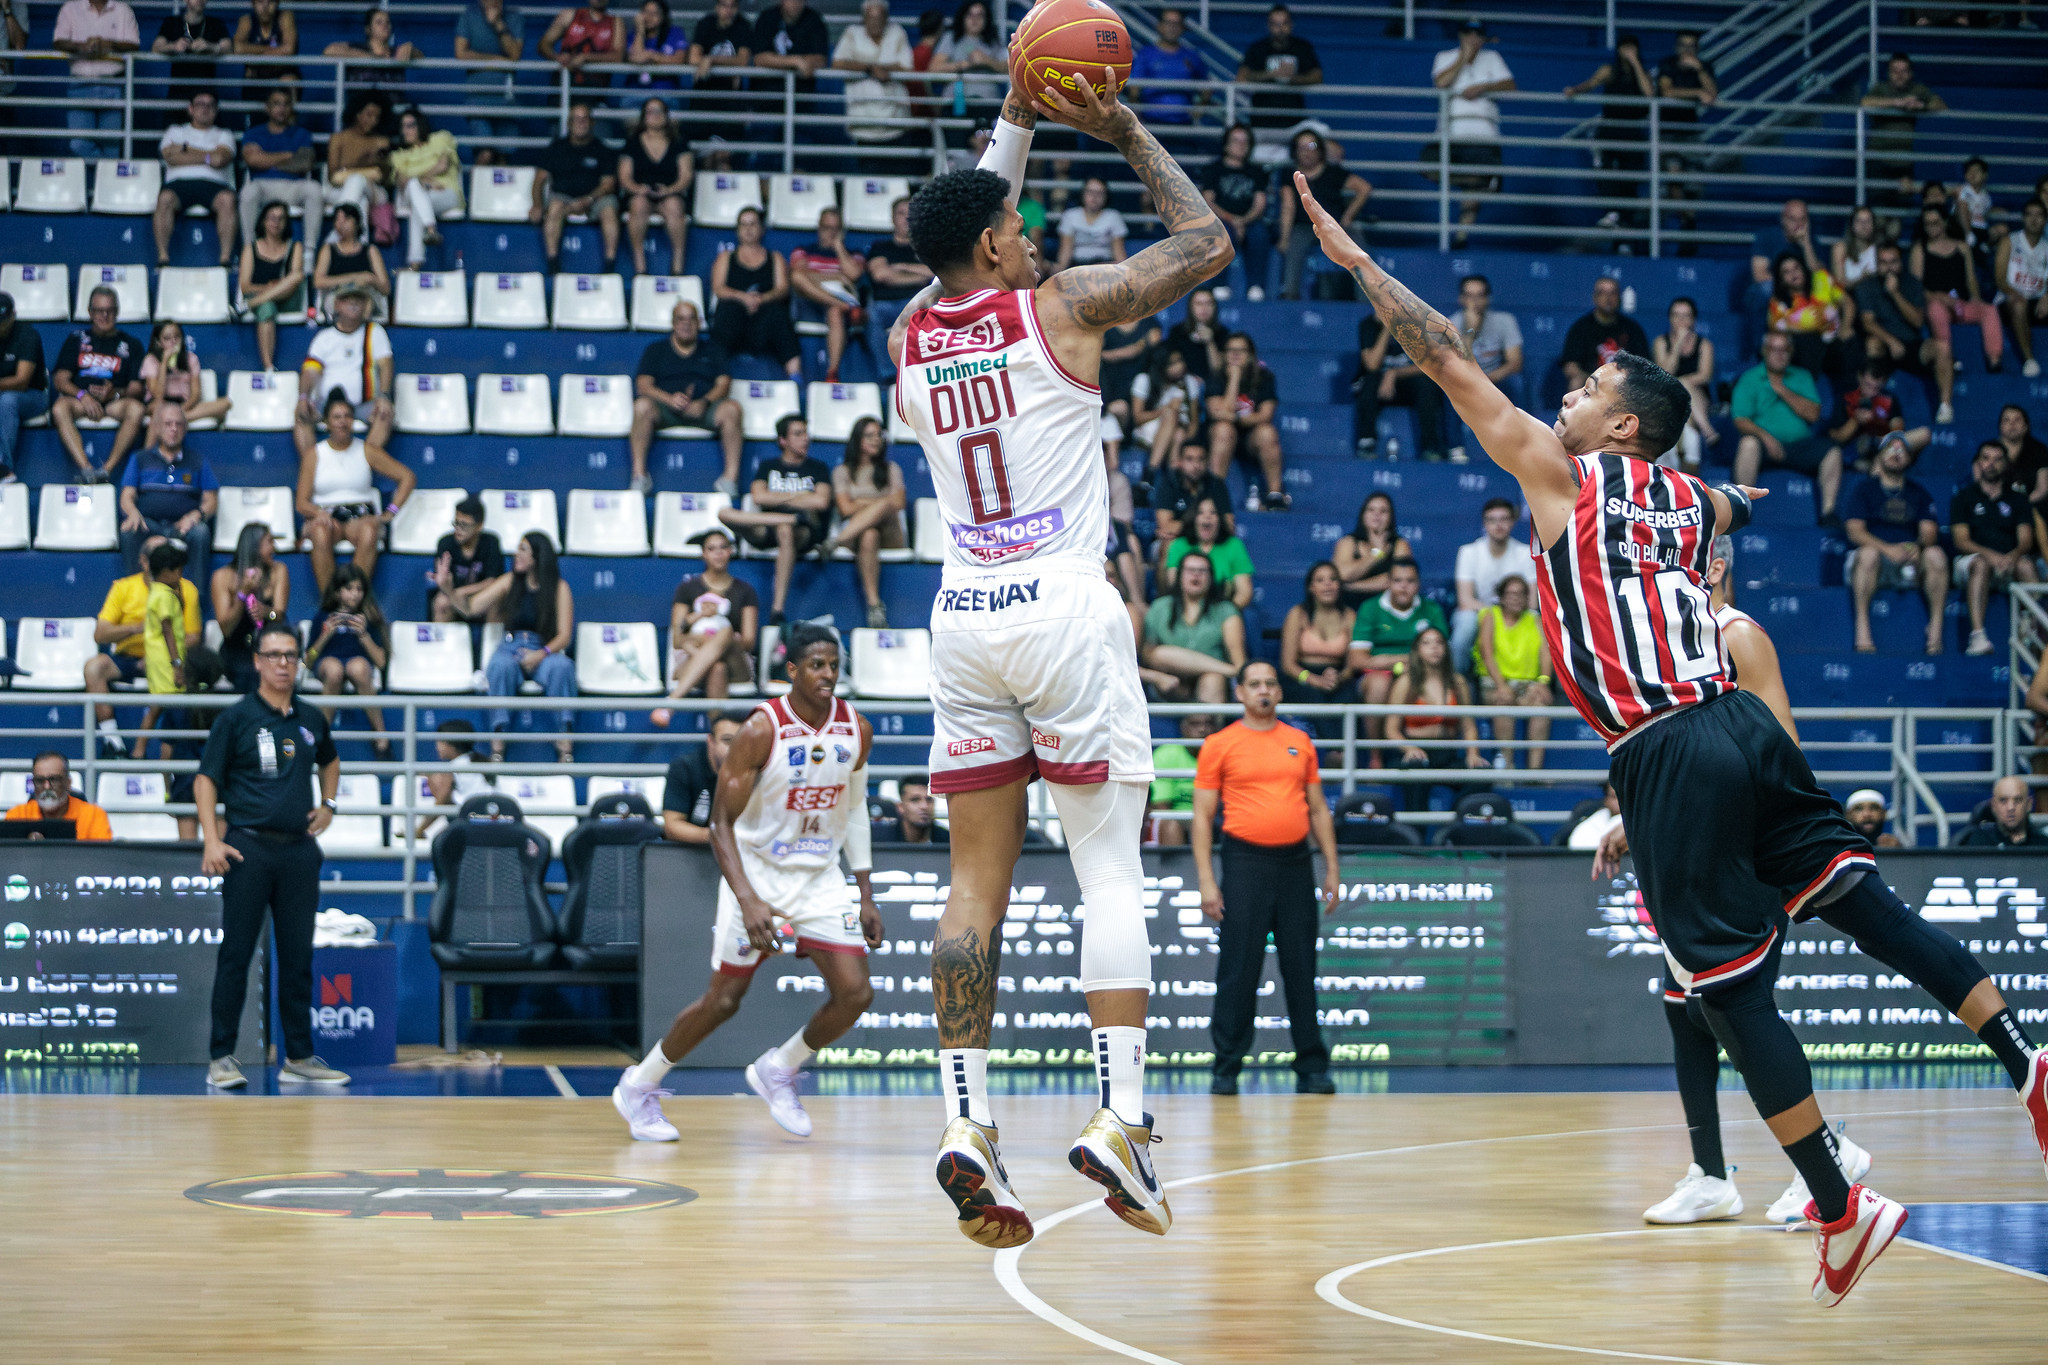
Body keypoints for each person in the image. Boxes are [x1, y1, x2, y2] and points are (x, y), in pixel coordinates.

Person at [1297, 181, 2048, 1303]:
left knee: (1723, 993)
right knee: (1867, 906)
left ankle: (1838, 1202)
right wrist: (1724, 499)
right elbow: (1745, 501)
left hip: (1668, 743)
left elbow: (1446, 355)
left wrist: (1356, 260)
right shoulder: (1689, 499)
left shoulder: (1563, 476)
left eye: (1590, 387)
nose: (1568, 391)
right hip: (1740, 724)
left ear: (1619, 429)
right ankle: (2024, 1061)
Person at [889, 75, 1233, 1248]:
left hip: (964, 619)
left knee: (970, 888)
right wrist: (1125, 128)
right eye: (1018, 228)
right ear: (994, 243)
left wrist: (1017, 120)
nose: (1032, 234)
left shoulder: (908, 332)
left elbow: (970, 232)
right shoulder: (1069, 305)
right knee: (1107, 876)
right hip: (1064, 611)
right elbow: (1206, 241)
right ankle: (1121, 1115)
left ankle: (964, 1123)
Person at [1595, 564, 1876, 1228]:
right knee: (1686, 1008)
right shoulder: (1670, 644)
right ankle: (1712, 1174)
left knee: (1733, 1015)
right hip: (1698, 853)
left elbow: (1778, 751)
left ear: (1713, 565)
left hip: (1749, 853)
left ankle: (1828, 1159)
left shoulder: (1736, 634)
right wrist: (1632, 822)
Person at [614, 624, 881, 1141]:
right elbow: (719, 825)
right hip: (756, 875)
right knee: (723, 1002)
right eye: (817, 665)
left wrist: (865, 892)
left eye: (834, 664)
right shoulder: (762, 730)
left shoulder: (857, 728)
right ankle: (638, 1085)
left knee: (856, 993)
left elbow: (855, 811)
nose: (828, 674)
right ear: (793, 671)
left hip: (820, 878)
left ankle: (779, 1069)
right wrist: (748, 898)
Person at [196, 620, 347, 1090]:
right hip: (248, 848)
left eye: (290, 655)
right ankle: (221, 1056)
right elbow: (206, 779)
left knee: (298, 957)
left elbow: (330, 760)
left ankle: (298, 1056)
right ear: (258, 662)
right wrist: (211, 839)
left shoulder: (310, 717)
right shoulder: (236, 718)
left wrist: (329, 804)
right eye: (274, 655)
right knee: (236, 955)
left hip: (299, 852)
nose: (283, 663)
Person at [1193, 659, 1340, 1094]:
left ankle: (1312, 1066)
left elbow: (1317, 808)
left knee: (1301, 966)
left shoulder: (1299, 742)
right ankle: (1226, 1066)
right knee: (1239, 969)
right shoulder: (1219, 744)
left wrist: (1331, 866)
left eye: (1270, 684)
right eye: (1254, 684)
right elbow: (1202, 817)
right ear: (1239, 693)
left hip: (1296, 864)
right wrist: (1206, 880)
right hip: (1245, 863)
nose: (1263, 690)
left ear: (1280, 691)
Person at [467, 530, 579, 764]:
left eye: (522, 549)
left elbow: (564, 636)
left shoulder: (559, 588)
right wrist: (448, 589)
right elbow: (472, 608)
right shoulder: (509, 581)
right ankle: (498, 746)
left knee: (563, 668)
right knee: (499, 666)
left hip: (545, 648)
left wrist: (541, 654)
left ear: (537, 557)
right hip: (512, 645)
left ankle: (565, 746)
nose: (516, 554)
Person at [86, 531, 201, 755]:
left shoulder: (186, 589)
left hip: (164, 658)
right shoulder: (123, 587)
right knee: (94, 667)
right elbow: (100, 634)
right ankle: (113, 742)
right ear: (143, 561)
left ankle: (146, 749)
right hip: (128, 657)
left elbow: (193, 637)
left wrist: (165, 658)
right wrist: (137, 628)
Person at [717, 414, 831, 627]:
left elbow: (822, 501)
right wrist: (800, 499)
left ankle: (777, 610)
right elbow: (759, 496)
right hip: (768, 526)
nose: (805, 438)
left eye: (805, 433)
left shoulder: (818, 468)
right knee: (723, 513)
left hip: (802, 531)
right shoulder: (768, 466)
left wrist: (777, 498)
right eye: (798, 434)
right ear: (783, 440)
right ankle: (787, 519)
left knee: (785, 531)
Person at [297, 389, 414, 594]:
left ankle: (354, 597)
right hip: (327, 515)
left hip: (360, 516)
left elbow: (407, 477)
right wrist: (318, 513)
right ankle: (331, 601)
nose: (342, 422)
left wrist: (390, 513)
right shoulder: (314, 454)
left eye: (347, 417)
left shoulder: (366, 450)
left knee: (370, 530)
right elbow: (301, 503)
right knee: (319, 532)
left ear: (353, 421)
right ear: (326, 422)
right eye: (337, 417)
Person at [631, 299, 743, 496]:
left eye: (692, 319)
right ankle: (639, 476)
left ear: (699, 323)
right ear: (673, 323)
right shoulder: (656, 350)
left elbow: (724, 384)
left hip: (703, 409)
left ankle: (730, 480)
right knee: (641, 406)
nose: (686, 323)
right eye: (681, 319)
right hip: (667, 409)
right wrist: (669, 399)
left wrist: (704, 402)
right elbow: (643, 385)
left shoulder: (714, 349)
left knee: (732, 409)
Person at [1730, 332, 1840, 526]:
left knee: (1832, 451)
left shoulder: (1802, 376)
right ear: (1764, 351)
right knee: (1748, 443)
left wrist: (1782, 389)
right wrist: (1766, 437)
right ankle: (1742, 507)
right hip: (1764, 447)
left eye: (1784, 350)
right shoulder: (1750, 378)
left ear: (1790, 353)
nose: (1779, 354)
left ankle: (1828, 513)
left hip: (1799, 445)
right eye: (1774, 349)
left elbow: (1813, 414)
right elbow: (1741, 420)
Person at [652, 528, 758, 720]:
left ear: (730, 551)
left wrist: (720, 640)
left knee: (725, 632)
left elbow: (748, 642)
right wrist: (704, 635)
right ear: (703, 553)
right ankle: (719, 740)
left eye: (723, 547)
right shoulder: (687, 589)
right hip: (691, 658)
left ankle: (671, 703)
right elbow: (677, 639)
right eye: (711, 548)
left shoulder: (745, 591)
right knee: (717, 668)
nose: (718, 553)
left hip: (736, 661)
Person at [1428, 19, 1514, 245]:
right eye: (1468, 33)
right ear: (1460, 35)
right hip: (1450, 132)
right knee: (1430, 167)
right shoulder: (1445, 56)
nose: (1472, 38)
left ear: (1483, 37)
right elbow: (1441, 82)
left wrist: (1483, 86)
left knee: (1472, 190)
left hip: (1484, 134)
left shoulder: (1492, 58)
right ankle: (1475, 181)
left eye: (1477, 34)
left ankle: (1460, 236)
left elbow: (1510, 86)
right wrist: (1462, 59)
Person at [49, 286, 146, 483]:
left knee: (136, 410)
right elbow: (60, 379)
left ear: (117, 312)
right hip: (81, 401)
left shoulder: (131, 343)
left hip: (113, 402)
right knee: (59, 408)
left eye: (109, 310)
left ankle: (106, 470)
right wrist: (82, 396)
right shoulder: (76, 339)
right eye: (99, 310)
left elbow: (137, 389)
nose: (104, 315)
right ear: (90, 312)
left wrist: (115, 393)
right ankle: (86, 468)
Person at [1950, 440, 2036, 656]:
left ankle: (2029, 630)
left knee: (2026, 566)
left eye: (1998, 459)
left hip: (2008, 561)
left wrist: (2012, 556)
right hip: (1972, 561)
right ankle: (1977, 636)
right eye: (1986, 458)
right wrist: (1991, 556)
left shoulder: (2018, 499)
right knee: (1980, 564)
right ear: (1978, 464)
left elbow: (2025, 540)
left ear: (2005, 464)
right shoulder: (1963, 497)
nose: (1991, 464)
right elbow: (1961, 541)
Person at [1386, 624, 1487, 807]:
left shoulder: (1458, 682)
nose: (1434, 647)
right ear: (1417, 651)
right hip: (1417, 752)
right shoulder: (1406, 681)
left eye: (1439, 642)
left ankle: (1454, 825)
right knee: (1416, 770)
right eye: (1427, 643)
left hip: (1447, 755)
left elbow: (1469, 726)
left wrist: (1473, 754)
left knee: (1482, 774)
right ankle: (1415, 833)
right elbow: (1391, 729)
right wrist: (1408, 749)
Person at [1856, 240, 1955, 423]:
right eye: (1883, 263)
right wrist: (1891, 342)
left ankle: (1945, 407)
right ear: (1877, 264)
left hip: (1912, 344)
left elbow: (1917, 321)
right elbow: (1867, 323)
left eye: (1893, 261)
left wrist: (1895, 294)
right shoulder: (1866, 286)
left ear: (1901, 262)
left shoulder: (1912, 283)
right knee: (1872, 343)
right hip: (1885, 344)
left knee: (1942, 347)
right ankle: (1868, 404)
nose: (1889, 267)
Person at [1563, 33, 1653, 234]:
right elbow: (1591, 83)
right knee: (1606, 171)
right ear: (1618, 50)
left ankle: (1625, 226)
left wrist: (1635, 64)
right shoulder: (1609, 70)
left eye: (1632, 47)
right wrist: (1575, 90)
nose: (1628, 51)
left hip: (1633, 132)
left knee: (1630, 179)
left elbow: (1649, 94)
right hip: (1610, 129)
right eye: (1624, 48)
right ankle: (1612, 212)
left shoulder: (1643, 73)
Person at [1347, 555, 1447, 731]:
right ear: (1388, 582)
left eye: (1410, 581)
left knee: (1422, 680)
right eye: (1398, 581)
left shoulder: (1432, 609)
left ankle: (1422, 750)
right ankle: (1375, 755)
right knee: (1379, 685)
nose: (1403, 587)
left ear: (1418, 584)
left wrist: (1389, 659)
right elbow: (1356, 661)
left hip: (1419, 671)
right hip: (1377, 675)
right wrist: (1398, 662)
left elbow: (1442, 654)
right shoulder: (1370, 608)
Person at [1912, 203, 2005, 390]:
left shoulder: (1962, 247)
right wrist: (1938, 297)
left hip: (1961, 304)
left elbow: (1971, 279)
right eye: (1927, 224)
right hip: (1935, 304)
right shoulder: (1920, 249)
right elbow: (1916, 287)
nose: (1931, 227)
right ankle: (1948, 357)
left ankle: (1995, 359)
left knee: (1989, 310)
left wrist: (1976, 299)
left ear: (1945, 222)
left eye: (1935, 223)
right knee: (1936, 310)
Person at [118, 402, 217, 573]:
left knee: (201, 532)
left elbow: (211, 501)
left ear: (185, 429)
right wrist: (133, 513)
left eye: (178, 424)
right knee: (129, 530)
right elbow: (127, 496)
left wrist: (195, 516)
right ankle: (135, 594)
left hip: (183, 526)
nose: (174, 429)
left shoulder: (198, 461)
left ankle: (194, 596)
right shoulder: (140, 459)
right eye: (168, 424)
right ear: (156, 427)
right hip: (149, 525)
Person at [295, 282, 393, 454]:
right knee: (301, 414)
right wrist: (303, 397)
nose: (353, 303)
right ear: (336, 305)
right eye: (347, 299)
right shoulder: (324, 337)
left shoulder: (375, 332)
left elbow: (385, 365)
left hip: (364, 404)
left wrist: (384, 396)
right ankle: (312, 471)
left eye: (358, 299)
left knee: (385, 413)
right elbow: (309, 372)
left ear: (365, 305)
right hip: (328, 405)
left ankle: (362, 466)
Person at [831, 416, 908, 629]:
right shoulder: (843, 471)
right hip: (858, 535)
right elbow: (845, 508)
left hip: (891, 533)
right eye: (870, 435)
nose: (876, 439)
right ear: (858, 439)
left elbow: (898, 503)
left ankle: (836, 542)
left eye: (879, 435)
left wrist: (865, 503)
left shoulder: (892, 469)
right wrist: (880, 502)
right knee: (869, 533)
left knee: (885, 506)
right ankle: (875, 606)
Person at [1276, 130, 1370, 302]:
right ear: (1294, 151)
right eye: (1301, 147)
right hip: (1304, 226)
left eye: (1311, 146)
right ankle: (1290, 295)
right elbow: (1287, 206)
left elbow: (1364, 188)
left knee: (1358, 244)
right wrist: (1284, 238)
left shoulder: (1333, 172)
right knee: (1294, 245)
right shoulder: (1289, 174)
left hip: (1333, 225)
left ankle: (1366, 298)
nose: (1306, 151)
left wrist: (1348, 216)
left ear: (1320, 149)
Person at [708, 207, 802, 379]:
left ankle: (795, 377)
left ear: (761, 228)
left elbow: (782, 289)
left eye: (752, 224)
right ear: (737, 230)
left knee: (779, 314)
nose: (748, 229)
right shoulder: (726, 258)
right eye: (743, 225)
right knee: (726, 310)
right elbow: (719, 288)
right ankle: (717, 377)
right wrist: (743, 298)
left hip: (764, 320)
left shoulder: (775, 258)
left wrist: (760, 299)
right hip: (734, 318)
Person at [306, 563, 390, 754]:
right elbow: (307, 660)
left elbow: (381, 662)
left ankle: (381, 735)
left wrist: (363, 634)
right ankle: (322, 736)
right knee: (334, 669)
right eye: (349, 589)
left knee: (358, 668)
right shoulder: (322, 617)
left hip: (358, 663)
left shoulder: (369, 618)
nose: (355, 594)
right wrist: (325, 635)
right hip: (327, 663)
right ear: (337, 592)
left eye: (359, 589)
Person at [1141, 551, 1244, 704]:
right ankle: (1227, 671)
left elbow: (1240, 663)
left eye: (1202, 571)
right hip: (1169, 681)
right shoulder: (1160, 607)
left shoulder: (1225, 609)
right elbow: (1149, 655)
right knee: (1160, 654)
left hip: (1214, 679)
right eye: (1190, 570)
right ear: (1179, 575)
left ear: (1211, 577)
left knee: (1213, 680)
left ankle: (1206, 727)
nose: (1196, 575)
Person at [532, 101, 620, 275]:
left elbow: (608, 184)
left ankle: (610, 264)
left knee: (609, 210)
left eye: (585, 119)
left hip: (596, 198)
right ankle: (553, 263)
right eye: (576, 119)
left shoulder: (603, 150)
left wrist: (588, 200)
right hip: (563, 197)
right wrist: (537, 204)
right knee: (554, 208)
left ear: (592, 123)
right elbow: (539, 180)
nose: (581, 123)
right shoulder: (556, 148)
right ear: (569, 123)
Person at [154, 91, 238, 270]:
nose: (205, 109)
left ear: (216, 111)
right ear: (190, 109)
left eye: (210, 105)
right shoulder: (175, 131)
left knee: (227, 200)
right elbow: (171, 157)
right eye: (200, 104)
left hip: (215, 185)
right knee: (164, 198)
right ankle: (163, 258)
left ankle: (225, 259)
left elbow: (220, 160)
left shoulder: (224, 134)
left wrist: (184, 149)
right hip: (179, 184)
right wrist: (208, 156)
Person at [1475, 573, 1551, 767]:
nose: (1516, 598)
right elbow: (1486, 652)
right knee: (1503, 701)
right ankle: (1508, 766)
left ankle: (1535, 772)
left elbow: (1546, 652)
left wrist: (1543, 682)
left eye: (1521, 594)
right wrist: (1501, 685)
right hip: (1494, 683)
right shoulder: (1490, 615)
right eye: (1510, 594)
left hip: (1527, 684)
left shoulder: (1535, 619)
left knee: (1540, 704)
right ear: (1501, 597)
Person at [1206, 331, 1287, 508]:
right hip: (1220, 438)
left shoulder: (1264, 377)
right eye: (1230, 350)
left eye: (1241, 350)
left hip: (1251, 438)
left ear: (1251, 355)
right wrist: (1234, 377)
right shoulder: (1216, 377)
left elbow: (1266, 415)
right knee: (1224, 429)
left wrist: (1234, 417)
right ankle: (1214, 494)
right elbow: (1217, 413)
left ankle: (1275, 495)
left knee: (1267, 432)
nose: (1235, 354)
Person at [832, 0, 914, 172]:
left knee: (897, 176)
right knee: (869, 179)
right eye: (870, 17)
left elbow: (907, 66)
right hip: (863, 122)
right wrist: (869, 68)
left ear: (886, 18)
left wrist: (884, 70)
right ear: (864, 18)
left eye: (879, 17)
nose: (875, 21)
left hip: (895, 121)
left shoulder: (897, 32)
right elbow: (837, 63)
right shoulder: (852, 33)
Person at [1451, 497, 1531, 672]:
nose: (1498, 525)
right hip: (1480, 612)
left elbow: (1531, 602)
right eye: (1492, 520)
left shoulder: (1525, 553)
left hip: (1517, 612)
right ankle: (1458, 682)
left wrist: (1507, 615)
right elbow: (1465, 601)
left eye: (1504, 519)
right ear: (1484, 524)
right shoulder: (1469, 552)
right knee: (1465, 624)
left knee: (1535, 618)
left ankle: (1540, 684)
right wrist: (1494, 615)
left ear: (1512, 522)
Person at [236, 87, 321, 250]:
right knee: (247, 193)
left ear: (291, 108)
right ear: (267, 108)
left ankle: (309, 250)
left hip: (294, 187)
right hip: (263, 185)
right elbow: (252, 160)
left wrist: (265, 158)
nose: (281, 108)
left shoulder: (302, 134)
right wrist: (288, 155)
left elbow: (305, 163)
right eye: (276, 104)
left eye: (286, 104)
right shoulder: (254, 133)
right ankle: (250, 249)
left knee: (315, 189)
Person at [211, 522, 289, 693]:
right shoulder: (222, 577)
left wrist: (267, 613)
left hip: (269, 646)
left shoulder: (279, 571)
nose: (274, 547)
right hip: (237, 649)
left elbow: (280, 616)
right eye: (269, 542)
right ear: (254, 545)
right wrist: (242, 594)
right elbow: (226, 628)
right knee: (251, 675)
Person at [789, 207, 865, 384]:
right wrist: (838, 276)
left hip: (838, 301)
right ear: (818, 227)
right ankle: (843, 306)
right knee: (798, 278)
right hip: (810, 302)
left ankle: (832, 372)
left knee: (835, 311)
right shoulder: (804, 250)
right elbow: (799, 275)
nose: (830, 233)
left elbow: (853, 275)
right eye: (826, 228)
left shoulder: (854, 254)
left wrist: (838, 246)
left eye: (835, 229)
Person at [54, 0, 139, 159]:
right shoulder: (70, 8)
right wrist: (81, 46)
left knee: (112, 146)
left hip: (113, 84)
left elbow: (133, 45)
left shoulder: (123, 10)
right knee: (78, 144)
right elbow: (59, 42)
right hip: (80, 84)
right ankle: (106, 167)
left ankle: (105, 175)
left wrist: (109, 44)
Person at [619, 97, 692, 277]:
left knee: (674, 206)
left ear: (666, 116)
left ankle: (677, 266)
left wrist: (670, 190)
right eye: (651, 111)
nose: (655, 115)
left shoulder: (679, 143)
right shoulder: (633, 143)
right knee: (638, 205)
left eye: (659, 111)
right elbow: (624, 177)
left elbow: (686, 176)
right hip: (641, 192)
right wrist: (638, 189)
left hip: (670, 191)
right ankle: (640, 267)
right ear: (644, 116)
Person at [1767, 249, 1855, 396]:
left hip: (1832, 343)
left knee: (1851, 341)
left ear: (1803, 269)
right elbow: (1778, 328)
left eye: (1796, 268)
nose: (1793, 274)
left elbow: (1848, 303)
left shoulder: (1821, 283)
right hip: (1803, 349)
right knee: (1807, 340)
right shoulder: (1778, 303)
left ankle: (1853, 400)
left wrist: (1845, 328)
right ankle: (1806, 395)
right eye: (1786, 272)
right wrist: (1813, 327)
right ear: (1781, 280)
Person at [865, 197, 934, 383]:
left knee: (931, 314)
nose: (906, 218)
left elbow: (934, 274)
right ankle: (889, 375)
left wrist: (900, 266)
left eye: (911, 214)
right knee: (871, 315)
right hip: (885, 305)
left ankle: (920, 375)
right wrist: (918, 277)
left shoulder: (926, 248)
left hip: (917, 304)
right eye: (901, 214)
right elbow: (880, 275)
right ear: (893, 218)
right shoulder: (880, 247)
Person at [1198, 123, 1270, 302]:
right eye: (1236, 140)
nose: (1241, 145)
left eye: (1245, 141)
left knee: (1259, 234)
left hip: (1249, 221)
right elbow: (1208, 201)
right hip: (1219, 220)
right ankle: (1219, 284)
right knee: (1220, 234)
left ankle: (1256, 285)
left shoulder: (1257, 172)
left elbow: (1260, 203)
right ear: (1226, 144)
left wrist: (1243, 221)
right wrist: (1232, 220)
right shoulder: (1213, 170)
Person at [1861, 53, 1946, 205]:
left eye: (1904, 71)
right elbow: (1865, 103)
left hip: (1904, 162)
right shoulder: (1880, 89)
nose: (1899, 75)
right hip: (1878, 161)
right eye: (1895, 71)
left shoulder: (1917, 89)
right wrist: (1897, 103)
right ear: (1889, 73)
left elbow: (1941, 105)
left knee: (1898, 214)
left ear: (1910, 73)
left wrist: (1921, 107)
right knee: (1878, 211)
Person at [1745, 198, 1826, 354]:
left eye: (1802, 219)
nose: (1798, 224)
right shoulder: (1766, 236)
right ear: (1783, 219)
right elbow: (1759, 275)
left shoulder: (1812, 242)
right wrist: (1789, 285)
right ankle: (1760, 350)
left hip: (1800, 295)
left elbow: (1819, 276)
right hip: (1770, 292)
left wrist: (1806, 244)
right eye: (1792, 219)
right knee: (1766, 290)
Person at [135, 538, 191, 759]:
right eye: (178, 570)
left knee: (158, 707)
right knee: (173, 716)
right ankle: (142, 751)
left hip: (159, 660)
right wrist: (177, 665)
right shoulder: (165, 596)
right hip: (168, 661)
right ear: (167, 571)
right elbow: (168, 631)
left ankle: (139, 750)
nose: (180, 574)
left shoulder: (157, 591)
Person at [389, 107, 463, 272]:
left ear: (420, 125)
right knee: (414, 186)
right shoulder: (399, 155)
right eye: (403, 126)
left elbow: (442, 166)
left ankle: (414, 265)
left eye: (411, 125)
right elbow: (402, 181)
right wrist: (424, 182)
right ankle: (430, 229)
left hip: (445, 192)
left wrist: (421, 180)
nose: (406, 130)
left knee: (418, 207)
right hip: (415, 192)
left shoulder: (441, 138)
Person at [239, 200, 307, 373]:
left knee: (297, 276)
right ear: (263, 221)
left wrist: (279, 287)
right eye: (271, 218)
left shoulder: (295, 246)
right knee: (266, 307)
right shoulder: (251, 248)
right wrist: (269, 288)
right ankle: (268, 366)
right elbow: (245, 287)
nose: (276, 223)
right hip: (260, 299)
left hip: (288, 298)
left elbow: (295, 279)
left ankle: (250, 305)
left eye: (281, 218)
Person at [658, 709, 744, 843]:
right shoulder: (684, 767)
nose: (735, 748)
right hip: (692, 853)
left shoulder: (758, 769)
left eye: (741, 741)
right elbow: (672, 826)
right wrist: (719, 838)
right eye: (727, 741)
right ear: (711, 742)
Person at [1281, 561, 1356, 712]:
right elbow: (1288, 665)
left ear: (1339, 585)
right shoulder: (1297, 614)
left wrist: (1339, 678)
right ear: (1311, 588)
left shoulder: (1349, 616)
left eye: (1333, 579)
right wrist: (1314, 680)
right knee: (1315, 696)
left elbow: (1352, 665)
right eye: (1320, 580)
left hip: (1336, 678)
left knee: (1348, 698)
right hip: (1301, 677)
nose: (1328, 584)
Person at [453, 0, 526, 155]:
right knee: (484, 154)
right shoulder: (469, 16)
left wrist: (498, 24)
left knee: (504, 156)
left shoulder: (515, 17)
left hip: (506, 100)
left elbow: (515, 55)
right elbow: (460, 54)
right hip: (477, 99)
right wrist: (496, 60)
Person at [1829, 358, 1929, 471]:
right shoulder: (1846, 399)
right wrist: (1855, 421)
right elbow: (1836, 437)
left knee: (1924, 434)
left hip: (1885, 446)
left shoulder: (1889, 399)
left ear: (1884, 382)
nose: (1871, 392)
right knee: (1867, 447)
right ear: (1860, 377)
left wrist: (1881, 431)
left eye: (1876, 388)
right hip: (1853, 449)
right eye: (1868, 385)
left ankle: (1880, 459)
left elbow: (1898, 427)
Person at [1652, 297, 1717, 466]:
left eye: (1686, 316)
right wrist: (1679, 343)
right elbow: (1664, 374)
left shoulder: (1704, 344)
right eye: (1676, 315)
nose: (1681, 320)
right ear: (1670, 318)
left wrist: (1681, 382)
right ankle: (1708, 432)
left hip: (1698, 399)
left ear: (1693, 319)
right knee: (1686, 427)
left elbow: (1705, 375)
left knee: (1685, 385)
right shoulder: (1661, 342)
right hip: (1668, 400)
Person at [1235, 3, 1321, 129]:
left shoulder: (1302, 47)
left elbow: (1318, 77)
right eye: (1275, 24)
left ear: (1291, 25)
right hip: (1261, 123)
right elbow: (1241, 77)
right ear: (1268, 26)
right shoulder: (1257, 49)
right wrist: (1272, 74)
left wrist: (1293, 79)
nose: (1280, 29)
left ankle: (1312, 146)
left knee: (1316, 144)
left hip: (1296, 123)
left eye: (1284, 23)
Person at [1561, 276, 1650, 393]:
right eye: (1602, 293)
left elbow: (1643, 365)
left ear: (1619, 297)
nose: (1608, 298)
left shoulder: (1632, 328)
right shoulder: (1581, 328)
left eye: (1613, 293)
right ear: (1595, 297)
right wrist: (1594, 380)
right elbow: (1570, 366)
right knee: (1576, 381)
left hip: (1624, 383)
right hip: (1591, 381)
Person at [1161, 496, 1252, 608]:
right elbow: (1175, 587)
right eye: (1200, 512)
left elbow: (1244, 593)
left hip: (1223, 609)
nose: (1207, 517)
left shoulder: (1234, 545)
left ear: (1219, 520)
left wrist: (1226, 615)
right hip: (1185, 611)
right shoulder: (1179, 545)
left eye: (1213, 513)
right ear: (1193, 518)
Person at [686, 0, 752, 154]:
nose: (728, 10)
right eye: (724, 5)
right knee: (703, 156)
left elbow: (743, 60)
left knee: (724, 156)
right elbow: (693, 58)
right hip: (703, 97)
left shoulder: (743, 26)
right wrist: (729, 65)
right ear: (717, 7)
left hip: (731, 98)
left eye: (733, 6)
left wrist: (711, 60)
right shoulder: (706, 23)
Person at [1149, 437, 1233, 556]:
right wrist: (1205, 525)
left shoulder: (1216, 484)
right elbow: (1165, 526)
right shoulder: (1169, 483)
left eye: (1201, 459)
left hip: (1209, 541)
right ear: (1180, 462)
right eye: (1189, 459)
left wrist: (1183, 526)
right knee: (1169, 544)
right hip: (1178, 540)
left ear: (1207, 462)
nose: (1196, 465)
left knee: (1232, 544)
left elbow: (1229, 525)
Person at [139, 320, 230, 429]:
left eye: (177, 337)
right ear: (158, 342)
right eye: (167, 338)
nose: (173, 342)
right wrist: (164, 362)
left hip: (184, 406)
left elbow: (196, 394)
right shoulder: (150, 360)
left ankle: (173, 418)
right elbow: (157, 395)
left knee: (225, 403)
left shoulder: (191, 358)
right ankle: (170, 421)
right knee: (159, 408)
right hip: (158, 404)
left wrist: (179, 411)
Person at [412, 718, 493, 841]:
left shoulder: (453, 769)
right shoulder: (482, 761)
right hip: (494, 817)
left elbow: (441, 804)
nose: (437, 746)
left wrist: (417, 831)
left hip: (472, 823)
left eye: (439, 742)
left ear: (451, 745)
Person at [429, 494, 505, 622]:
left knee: (496, 602)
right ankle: (439, 642)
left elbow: (493, 581)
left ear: (479, 526)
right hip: (452, 595)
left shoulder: (491, 542)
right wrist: (451, 590)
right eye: (456, 523)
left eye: (464, 525)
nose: (458, 529)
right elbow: (443, 581)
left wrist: (462, 591)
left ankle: (492, 642)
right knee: (441, 603)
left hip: (481, 595)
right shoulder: (445, 543)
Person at [1127, 6, 1205, 129]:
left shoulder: (1192, 56)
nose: (1172, 27)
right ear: (1159, 26)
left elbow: (1207, 88)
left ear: (1182, 28)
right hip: (1151, 125)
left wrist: (1196, 114)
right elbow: (1134, 91)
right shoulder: (1145, 54)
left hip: (1184, 127)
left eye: (1176, 23)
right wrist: (1138, 120)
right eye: (1168, 22)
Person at [1128, 347, 1204, 472]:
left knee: (1178, 434)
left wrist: (1187, 439)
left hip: (1180, 434)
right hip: (1147, 430)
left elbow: (1194, 422)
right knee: (1170, 415)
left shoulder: (1190, 381)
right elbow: (1137, 418)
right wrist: (1166, 409)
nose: (1179, 366)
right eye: (1172, 364)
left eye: (1180, 361)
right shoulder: (1144, 380)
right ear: (1161, 366)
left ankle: (1169, 477)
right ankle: (1153, 469)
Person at [5, 751, 113, 839]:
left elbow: (102, 860)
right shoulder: (17, 816)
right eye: (39, 780)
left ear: (68, 783)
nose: (46, 787)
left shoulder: (93, 816)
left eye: (54, 780)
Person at [0, 291, 48, 483]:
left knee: (7, 400)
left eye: (3, 320)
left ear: (13, 315)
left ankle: (4, 467)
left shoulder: (27, 335)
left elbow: (21, 381)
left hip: (33, 396)